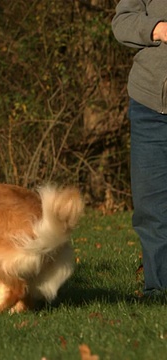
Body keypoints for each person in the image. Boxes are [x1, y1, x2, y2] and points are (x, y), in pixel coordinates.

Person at [112, 0, 167, 297]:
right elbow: (122, 22)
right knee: (151, 207)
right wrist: (156, 28)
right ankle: (159, 290)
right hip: (150, 105)